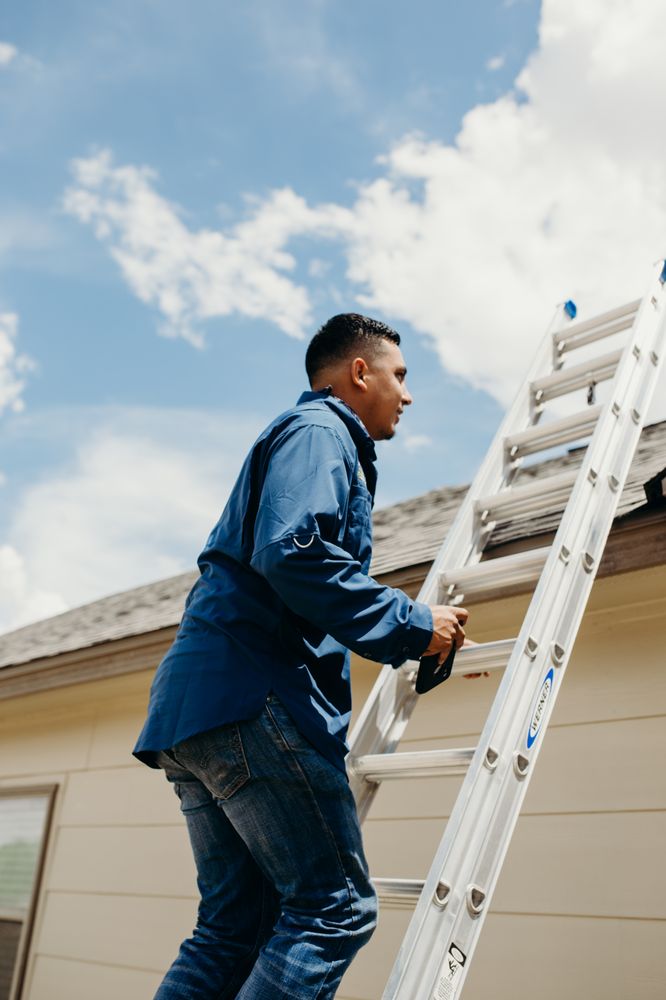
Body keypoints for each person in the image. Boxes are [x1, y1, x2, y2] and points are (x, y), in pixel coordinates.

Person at [133, 313, 469, 1000]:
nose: (407, 396)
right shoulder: (321, 432)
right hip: (252, 703)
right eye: (400, 376)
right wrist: (412, 623)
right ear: (358, 372)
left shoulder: (303, 437)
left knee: (233, 927)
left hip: (197, 709)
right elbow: (296, 551)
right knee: (335, 909)